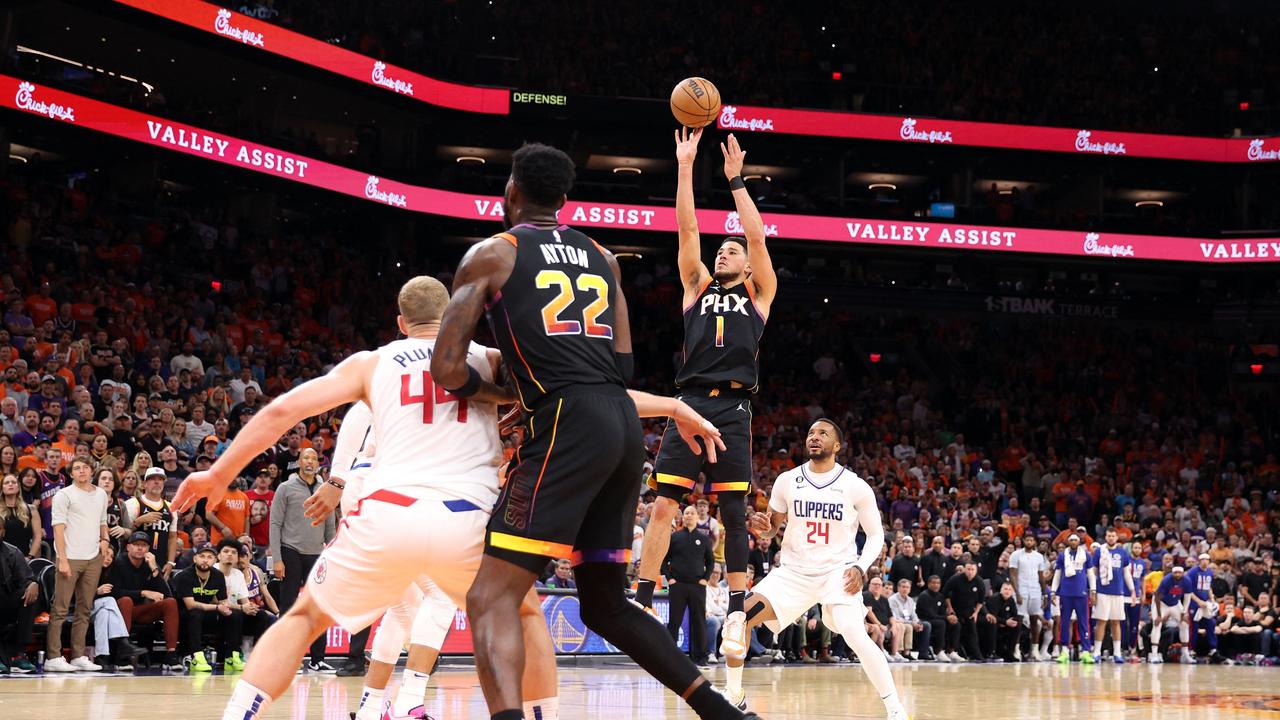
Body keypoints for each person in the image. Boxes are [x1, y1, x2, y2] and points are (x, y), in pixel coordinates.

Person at [172, 276, 657, 720]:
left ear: (400, 323)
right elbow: (586, 396)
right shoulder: (487, 359)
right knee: (525, 613)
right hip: (468, 521)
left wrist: (219, 472)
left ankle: (239, 715)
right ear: (452, 318)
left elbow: (282, 410)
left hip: (386, 514)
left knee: (303, 619)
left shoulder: (371, 362)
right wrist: (673, 406)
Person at [428, 144, 755, 720]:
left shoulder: (491, 254)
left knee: (488, 596)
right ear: (564, 198)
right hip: (622, 425)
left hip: (565, 424)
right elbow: (622, 365)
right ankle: (722, 713)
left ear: (510, 191)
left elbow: (448, 369)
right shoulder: (604, 257)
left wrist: (506, 388)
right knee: (605, 605)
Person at [635, 127, 777, 670]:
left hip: (734, 406)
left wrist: (736, 180)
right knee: (665, 505)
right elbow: (687, 225)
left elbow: (760, 239)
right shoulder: (695, 286)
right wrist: (685, 164)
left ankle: (738, 608)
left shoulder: (759, 293)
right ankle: (645, 603)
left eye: (733, 248)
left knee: (735, 512)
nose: (726, 251)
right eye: (723, 248)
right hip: (690, 402)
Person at [721, 419, 907, 720]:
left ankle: (895, 709)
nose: (814, 437)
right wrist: (764, 529)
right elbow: (773, 530)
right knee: (737, 618)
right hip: (792, 573)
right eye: (810, 433)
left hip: (837, 573)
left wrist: (861, 567)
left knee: (853, 632)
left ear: (837, 446)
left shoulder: (855, 486)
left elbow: (875, 536)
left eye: (823, 434)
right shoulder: (786, 480)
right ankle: (735, 697)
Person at [267, 447, 336, 672]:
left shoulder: (325, 489)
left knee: (319, 606)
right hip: (290, 551)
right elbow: (275, 524)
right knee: (288, 606)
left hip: (317, 553)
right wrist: (277, 558)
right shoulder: (285, 488)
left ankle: (317, 659)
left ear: (318, 463)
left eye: (314, 458)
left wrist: (332, 554)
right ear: (299, 461)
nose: (310, 461)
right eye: (306, 457)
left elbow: (330, 523)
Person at [43, 457, 109, 672]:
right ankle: (53, 656)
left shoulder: (100, 494)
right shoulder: (64, 495)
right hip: (69, 556)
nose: (81, 471)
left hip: (93, 558)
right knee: (60, 608)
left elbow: (102, 522)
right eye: (77, 468)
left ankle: (78, 655)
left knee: (85, 608)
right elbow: (58, 528)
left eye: (85, 467)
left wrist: (105, 541)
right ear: (71, 474)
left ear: (92, 471)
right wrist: (62, 558)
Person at [110, 531, 182, 670]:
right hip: (120, 612)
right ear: (128, 547)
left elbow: (166, 595)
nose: (140, 548)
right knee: (126, 601)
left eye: (143, 545)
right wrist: (143, 593)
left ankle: (171, 655)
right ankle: (122, 654)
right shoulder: (118, 563)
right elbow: (115, 593)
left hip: (140, 612)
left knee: (170, 603)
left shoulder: (149, 564)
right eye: (136, 544)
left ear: (148, 549)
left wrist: (155, 569)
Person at [172, 542, 244, 672]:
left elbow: (223, 601)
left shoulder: (218, 576)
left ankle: (232, 656)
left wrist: (234, 608)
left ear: (215, 560)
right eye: (202, 556)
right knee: (196, 612)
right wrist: (217, 608)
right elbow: (190, 604)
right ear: (195, 558)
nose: (205, 560)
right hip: (184, 616)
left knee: (235, 614)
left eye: (210, 557)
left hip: (207, 613)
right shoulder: (184, 575)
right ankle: (196, 657)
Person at [663, 504, 714, 665]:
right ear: (683, 517)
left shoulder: (704, 539)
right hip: (678, 585)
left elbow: (711, 562)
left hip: (697, 586)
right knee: (674, 621)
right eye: (686, 513)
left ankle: (700, 657)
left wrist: (705, 578)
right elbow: (664, 560)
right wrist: (670, 579)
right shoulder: (675, 537)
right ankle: (669, 657)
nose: (689, 515)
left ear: (697, 518)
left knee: (699, 622)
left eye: (692, 513)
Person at [1091, 530, 1137, 663]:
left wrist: (1132, 590)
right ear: (1105, 537)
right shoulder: (1100, 551)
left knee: (1116, 622)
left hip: (1118, 592)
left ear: (1116, 537)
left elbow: (1126, 573)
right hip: (1102, 591)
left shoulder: (1122, 552)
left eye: (1113, 536)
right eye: (1109, 535)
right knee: (1101, 622)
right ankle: (1096, 652)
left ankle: (1117, 653)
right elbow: (1094, 572)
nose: (1111, 538)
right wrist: (1093, 590)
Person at [0, 518, 39, 673]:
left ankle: (18, 654)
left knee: (29, 594)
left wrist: (33, 584)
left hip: (5, 600)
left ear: (3, 532)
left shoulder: (12, 551)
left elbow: (27, 578)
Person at [1050, 533, 1097, 663]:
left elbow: (1091, 574)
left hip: (1081, 593)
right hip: (1065, 593)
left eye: (1075, 539)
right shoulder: (1062, 555)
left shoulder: (1086, 555)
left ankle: (1086, 652)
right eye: (1071, 540)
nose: (1073, 541)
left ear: (1079, 541)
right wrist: (1053, 592)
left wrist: (1093, 590)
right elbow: (1057, 574)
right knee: (1064, 622)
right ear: (1068, 541)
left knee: (1083, 622)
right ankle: (1064, 651)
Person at [125, 467, 178, 580]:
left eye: (160, 479)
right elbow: (124, 534)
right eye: (152, 479)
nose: (157, 482)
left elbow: (172, 537)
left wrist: (170, 562)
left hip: (160, 561)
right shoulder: (133, 504)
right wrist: (139, 521)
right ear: (144, 484)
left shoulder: (171, 507)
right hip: (134, 561)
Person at [1008, 532, 1048, 660]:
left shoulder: (1039, 557)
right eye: (1027, 540)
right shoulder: (1016, 554)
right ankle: (1016, 648)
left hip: (1035, 590)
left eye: (1032, 540)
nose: (1029, 542)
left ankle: (1034, 650)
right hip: (1021, 590)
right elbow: (1012, 574)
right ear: (1023, 541)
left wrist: (1044, 594)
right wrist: (1017, 593)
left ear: (1035, 542)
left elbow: (1041, 577)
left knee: (1034, 620)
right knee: (1018, 621)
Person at [943, 560, 987, 662]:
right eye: (968, 569)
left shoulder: (979, 581)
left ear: (976, 570)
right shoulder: (956, 579)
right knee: (956, 627)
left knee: (972, 631)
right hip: (955, 609)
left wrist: (976, 612)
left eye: (972, 569)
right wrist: (950, 608)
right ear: (964, 569)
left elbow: (981, 600)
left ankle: (976, 655)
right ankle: (953, 651)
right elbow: (945, 593)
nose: (970, 571)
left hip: (969, 611)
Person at [1151, 563, 1191, 663]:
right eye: (1175, 573)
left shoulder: (1187, 581)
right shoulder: (1166, 580)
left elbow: (1187, 597)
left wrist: (1184, 612)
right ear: (1172, 573)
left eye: (1179, 573)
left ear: (1183, 573)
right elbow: (1157, 596)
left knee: (1185, 624)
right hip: (1161, 603)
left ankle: (1185, 654)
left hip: (1175, 603)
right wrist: (1159, 615)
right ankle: (1154, 654)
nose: (1177, 575)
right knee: (1157, 625)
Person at [1185, 553, 1221, 661]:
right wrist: (1198, 601)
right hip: (1194, 604)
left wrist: (1212, 599)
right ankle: (1191, 650)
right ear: (1199, 561)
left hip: (1205, 604)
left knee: (1211, 623)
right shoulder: (1192, 572)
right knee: (1194, 627)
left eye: (1207, 560)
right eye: (1203, 560)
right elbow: (1188, 589)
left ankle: (1213, 649)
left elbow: (1208, 587)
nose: (1205, 562)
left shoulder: (1209, 572)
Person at [1, 473, 42, 559]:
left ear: (18, 487)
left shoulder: (31, 510)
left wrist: (30, 556)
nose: (10, 484)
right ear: (2, 488)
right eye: (7, 483)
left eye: (13, 482)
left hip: (24, 559)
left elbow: (38, 536)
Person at [888, 578, 930, 661]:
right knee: (907, 626)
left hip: (908, 622)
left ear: (910, 589)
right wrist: (911, 623)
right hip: (897, 622)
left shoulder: (910, 600)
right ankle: (901, 652)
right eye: (903, 587)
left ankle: (922, 653)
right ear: (898, 588)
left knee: (926, 625)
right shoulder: (893, 600)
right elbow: (895, 617)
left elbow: (914, 615)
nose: (905, 589)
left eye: (907, 587)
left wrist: (917, 622)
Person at [916, 575, 952, 661]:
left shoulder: (940, 596)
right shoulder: (924, 596)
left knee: (955, 624)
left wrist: (949, 617)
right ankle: (938, 651)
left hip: (936, 619)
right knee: (941, 623)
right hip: (924, 619)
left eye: (938, 583)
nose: (936, 585)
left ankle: (951, 651)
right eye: (934, 583)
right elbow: (930, 615)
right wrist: (946, 617)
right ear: (928, 584)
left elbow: (942, 613)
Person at [983, 582, 1020, 662]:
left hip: (1003, 623)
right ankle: (991, 652)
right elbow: (992, 615)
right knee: (993, 623)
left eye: (1009, 590)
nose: (1007, 591)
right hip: (990, 623)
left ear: (1012, 592)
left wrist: (1010, 621)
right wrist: (1005, 622)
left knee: (1017, 626)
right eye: (1005, 589)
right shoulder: (995, 599)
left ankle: (1010, 653)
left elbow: (1015, 614)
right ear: (1001, 590)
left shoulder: (1011, 600)